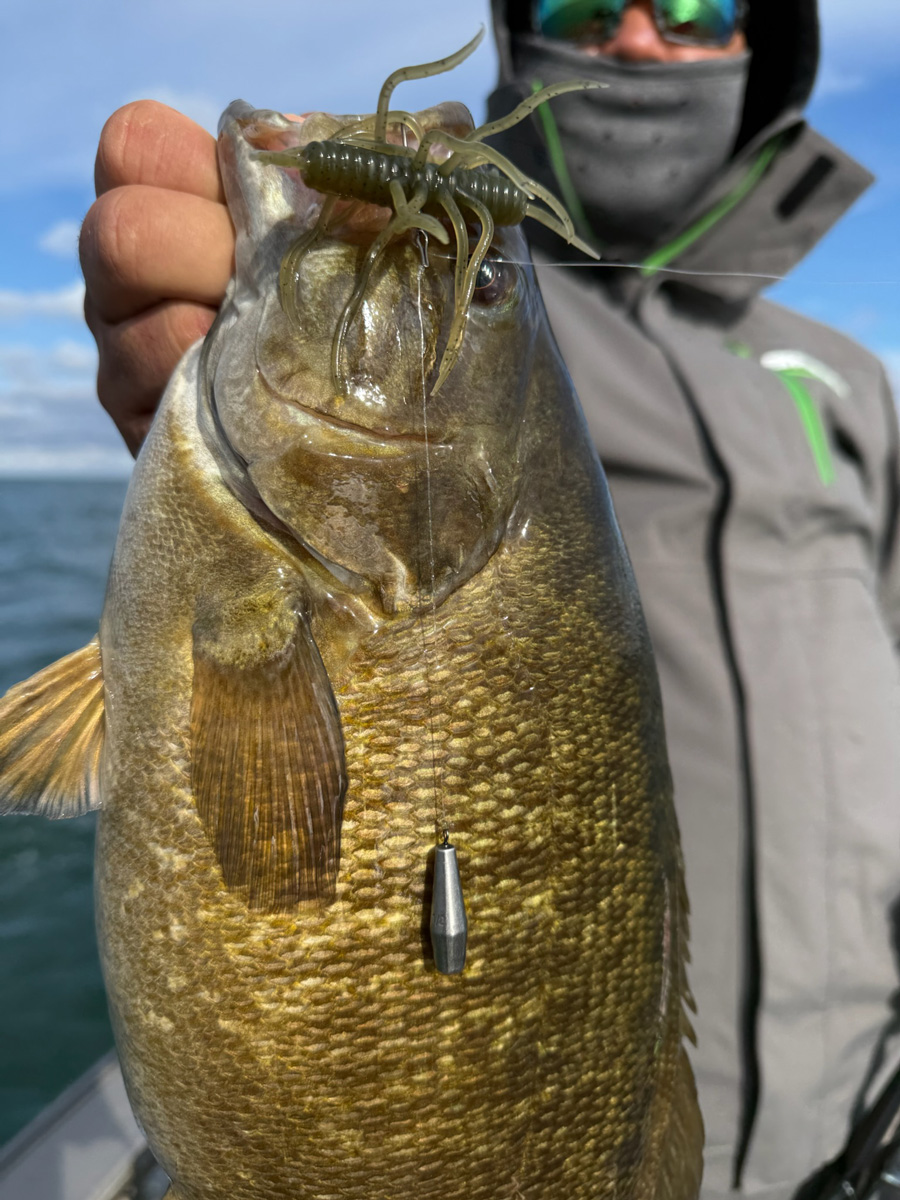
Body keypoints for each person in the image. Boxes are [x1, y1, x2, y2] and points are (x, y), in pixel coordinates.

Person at [78, 2, 900, 1197]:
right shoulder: (507, 289)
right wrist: (193, 392)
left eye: (693, 8)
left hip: (853, 1121)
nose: (634, 38)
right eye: (578, 3)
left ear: (754, 51)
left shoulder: (851, 380)